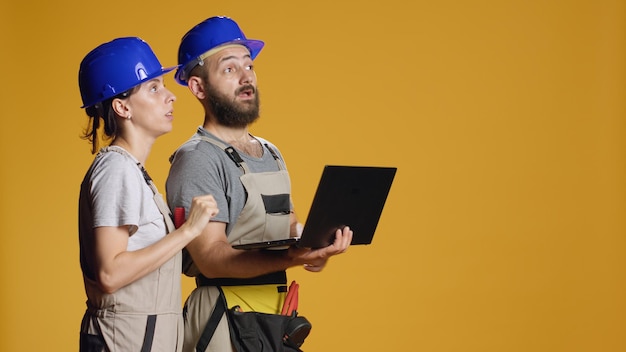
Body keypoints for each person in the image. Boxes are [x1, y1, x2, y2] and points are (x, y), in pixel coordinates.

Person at [166, 16, 353, 352]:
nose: (246, 76)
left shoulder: (271, 152)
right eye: (229, 68)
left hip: (273, 314)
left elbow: (287, 224)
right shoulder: (197, 159)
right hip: (222, 317)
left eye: (248, 65)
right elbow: (211, 257)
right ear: (198, 87)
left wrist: (315, 245)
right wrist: (294, 257)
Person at [77, 37, 219, 351]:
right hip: (124, 340)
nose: (171, 97)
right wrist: (188, 232)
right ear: (122, 106)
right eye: (154, 88)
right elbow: (110, 273)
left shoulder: (135, 172)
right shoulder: (116, 170)